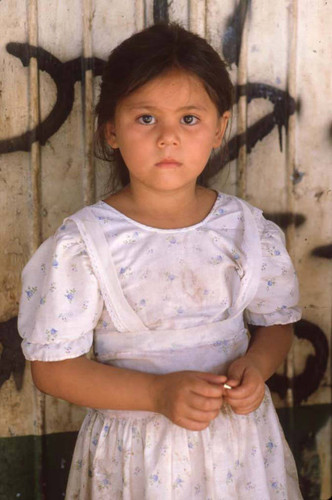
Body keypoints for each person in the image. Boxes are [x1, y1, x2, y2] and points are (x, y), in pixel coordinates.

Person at [18, 23, 303, 499]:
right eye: (146, 119)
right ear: (111, 130)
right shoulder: (84, 245)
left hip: (241, 451)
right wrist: (156, 394)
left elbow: (276, 324)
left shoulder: (248, 231)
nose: (168, 138)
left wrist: (256, 365)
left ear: (220, 128)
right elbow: (54, 370)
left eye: (189, 119)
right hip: (135, 459)